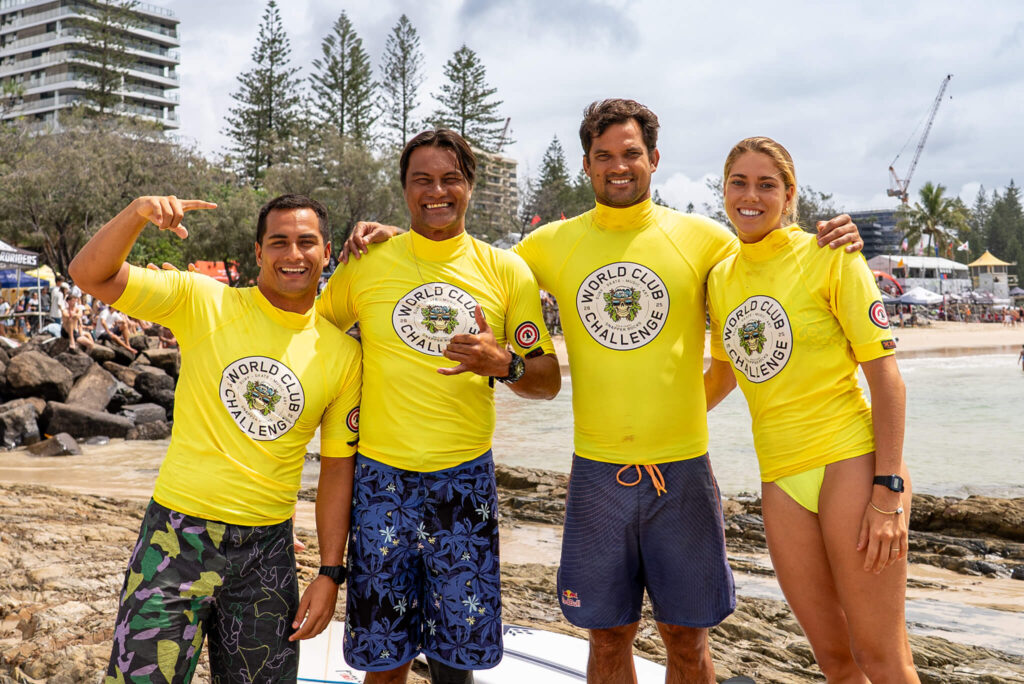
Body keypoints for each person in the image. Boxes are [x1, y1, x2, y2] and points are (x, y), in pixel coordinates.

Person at [344, 100, 863, 683]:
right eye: (605, 156)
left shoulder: (706, 240)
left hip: (684, 470)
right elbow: (461, 260)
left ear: (654, 159)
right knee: (608, 638)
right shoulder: (549, 246)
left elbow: (769, 254)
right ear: (587, 166)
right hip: (595, 473)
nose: (619, 166)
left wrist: (832, 233)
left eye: (631, 154)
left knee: (687, 641)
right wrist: (394, 238)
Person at [69, 193, 362, 683]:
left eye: (306, 242)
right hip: (175, 540)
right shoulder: (204, 300)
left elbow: (337, 468)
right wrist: (139, 212)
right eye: (279, 242)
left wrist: (331, 573)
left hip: (267, 554)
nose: (293, 254)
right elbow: (90, 274)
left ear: (327, 252)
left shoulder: (342, 356)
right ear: (257, 252)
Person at [318, 129, 560, 684]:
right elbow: (311, 336)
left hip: (464, 481)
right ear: (404, 189)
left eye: (451, 178)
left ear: (470, 186)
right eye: (422, 180)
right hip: (381, 480)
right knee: (385, 658)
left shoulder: (505, 271)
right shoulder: (368, 263)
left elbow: (545, 381)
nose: (437, 192)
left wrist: (504, 363)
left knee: (458, 660)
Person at [706, 137, 918, 682]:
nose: (751, 196)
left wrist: (889, 490)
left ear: (789, 194)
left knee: (882, 657)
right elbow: (724, 374)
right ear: (724, 190)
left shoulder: (830, 256)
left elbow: (886, 379)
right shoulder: (721, 279)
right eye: (739, 182)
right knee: (834, 660)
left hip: (849, 460)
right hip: (779, 477)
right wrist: (645, 428)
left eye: (766, 184)